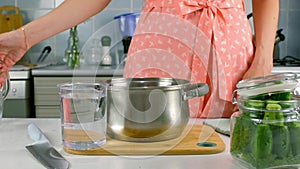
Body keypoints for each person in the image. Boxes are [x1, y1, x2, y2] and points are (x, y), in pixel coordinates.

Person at [0, 0, 278, 118]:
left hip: (231, 53)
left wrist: (263, 60)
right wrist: (25, 37)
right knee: (152, 149)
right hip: (160, 54)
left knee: (234, 152)